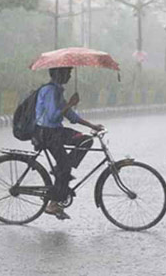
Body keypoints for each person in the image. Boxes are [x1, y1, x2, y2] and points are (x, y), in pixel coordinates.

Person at [34, 66, 103, 219]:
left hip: (56, 132)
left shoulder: (57, 91)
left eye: (70, 73)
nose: (70, 76)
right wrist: (70, 103)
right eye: (67, 73)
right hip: (47, 133)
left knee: (85, 140)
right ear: (58, 73)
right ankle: (53, 203)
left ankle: (61, 170)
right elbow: (52, 117)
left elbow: (71, 116)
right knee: (65, 167)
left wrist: (92, 126)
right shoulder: (50, 91)